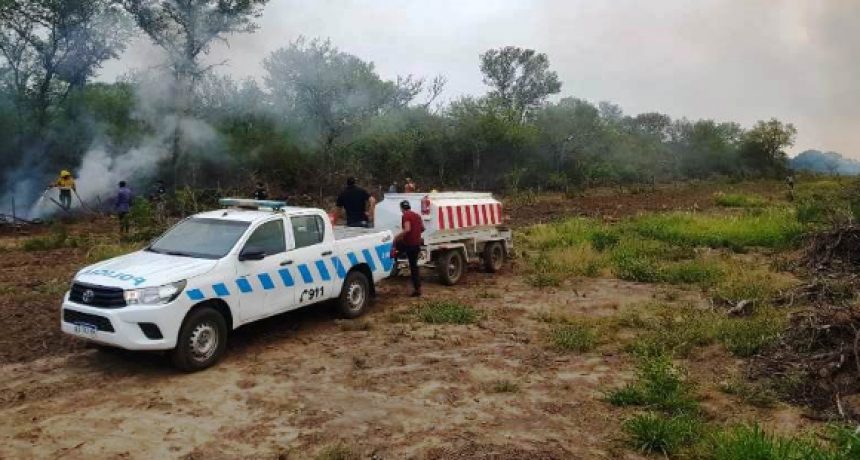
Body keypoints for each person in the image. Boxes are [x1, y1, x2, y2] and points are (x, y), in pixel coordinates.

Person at [394, 200, 424, 297]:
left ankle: (394, 268)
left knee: (394, 246)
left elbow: (407, 229)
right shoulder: (417, 216)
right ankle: (418, 289)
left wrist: (396, 237)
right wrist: (416, 234)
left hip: (409, 244)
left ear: (402, 208)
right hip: (416, 244)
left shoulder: (406, 215)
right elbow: (423, 228)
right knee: (414, 266)